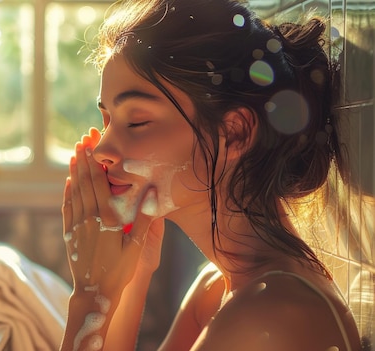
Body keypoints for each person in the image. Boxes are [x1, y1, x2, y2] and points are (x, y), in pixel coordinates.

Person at [59, 0, 368, 350]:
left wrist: (91, 298)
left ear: (234, 133)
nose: (102, 150)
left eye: (136, 122)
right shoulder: (219, 288)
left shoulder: (269, 316)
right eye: (108, 120)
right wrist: (130, 274)